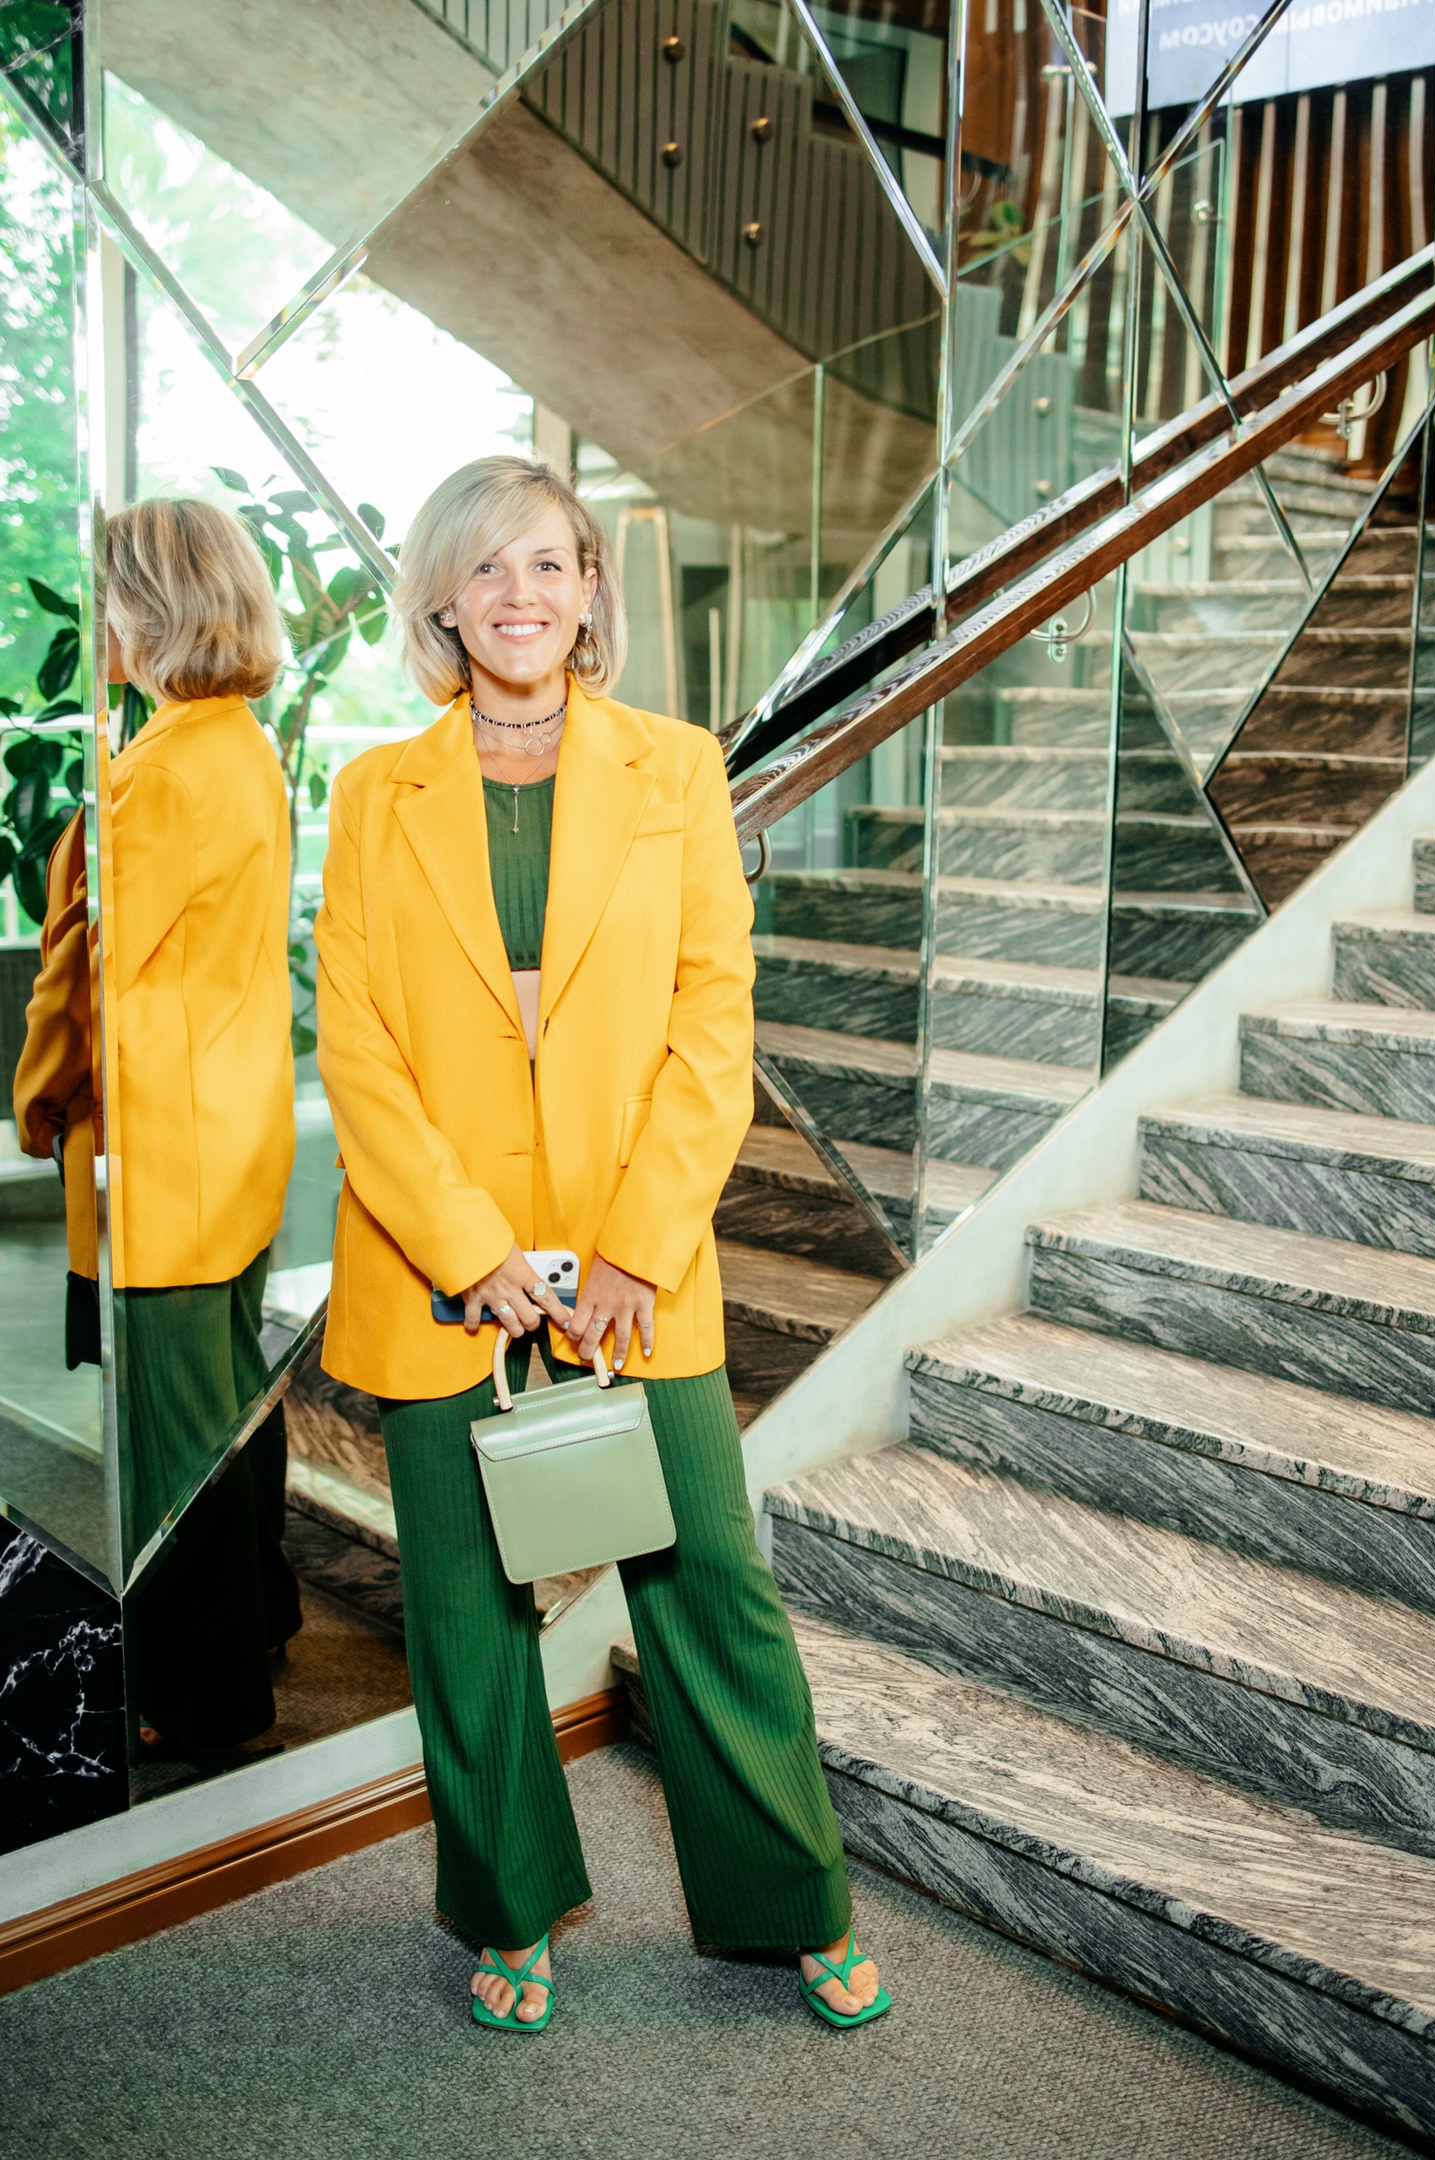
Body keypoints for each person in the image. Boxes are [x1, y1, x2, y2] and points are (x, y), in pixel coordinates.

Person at [313, 454, 888, 2032]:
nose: (521, 594)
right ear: (444, 599)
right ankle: (510, 1910)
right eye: (487, 567)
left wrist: (636, 1241)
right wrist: (468, 1247)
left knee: (706, 1582)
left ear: (589, 593)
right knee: (467, 1613)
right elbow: (355, 1043)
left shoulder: (677, 769)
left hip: (639, 1259)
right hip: (441, 1269)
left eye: (550, 564)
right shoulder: (374, 794)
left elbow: (714, 1020)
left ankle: (790, 1899)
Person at [14, 497, 302, 1765]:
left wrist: (38, 1096)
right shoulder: (235, 745)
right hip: (225, 1128)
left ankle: (206, 1700)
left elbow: (87, 975)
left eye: (110, 598)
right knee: (229, 1405)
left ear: (152, 609)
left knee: (177, 1439)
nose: (100, 623)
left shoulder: (162, 771)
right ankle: (262, 1626)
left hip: (166, 1146)